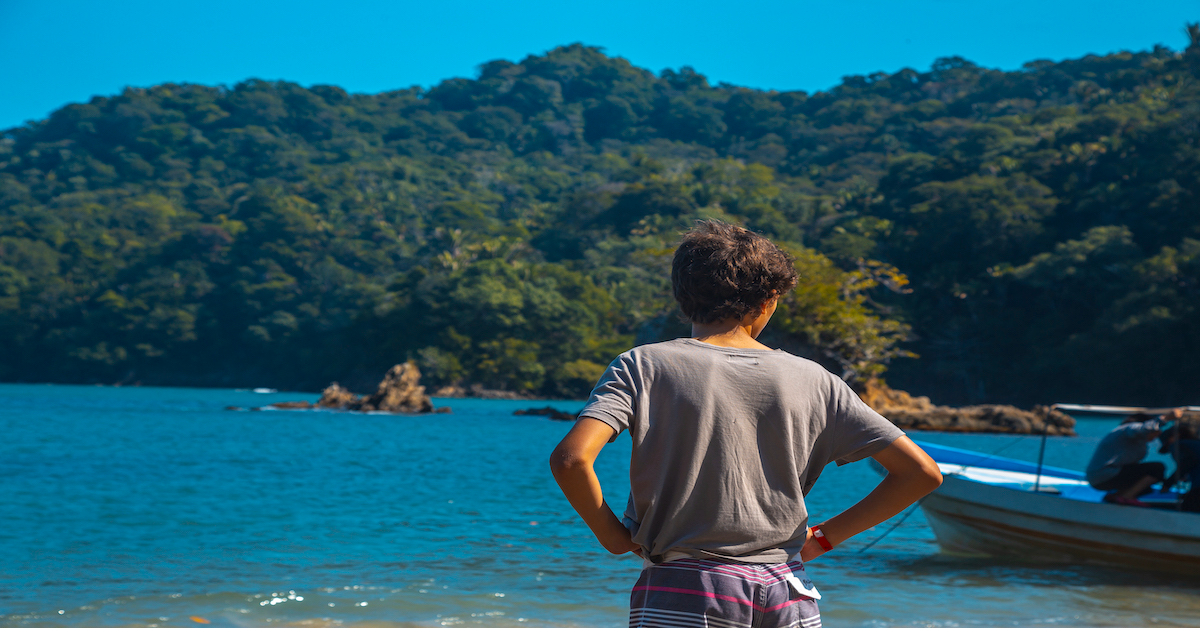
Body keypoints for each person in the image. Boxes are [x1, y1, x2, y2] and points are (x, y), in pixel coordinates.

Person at [549, 220, 942, 628]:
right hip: (789, 587)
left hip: (688, 586)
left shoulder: (642, 365)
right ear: (769, 301)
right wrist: (823, 538)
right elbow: (921, 473)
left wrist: (613, 538)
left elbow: (571, 459)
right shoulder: (817, 379)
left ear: (681, 296)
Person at [1085, 410, 1180, 506]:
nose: (1158, 433)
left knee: (1147, 487)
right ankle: (1125, 497)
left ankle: (1115, 496)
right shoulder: (1129, 428)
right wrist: (1166, 418)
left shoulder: (1131, 439)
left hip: (1099, 477)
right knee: (1157, 468)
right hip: (1106, 475)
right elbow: (1143, 428)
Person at [1159, 419, 1200, 512]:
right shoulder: (1196, 445)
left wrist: (1168, 483)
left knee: (1188, 510)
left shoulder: (1177, 445)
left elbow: (1188, 462)